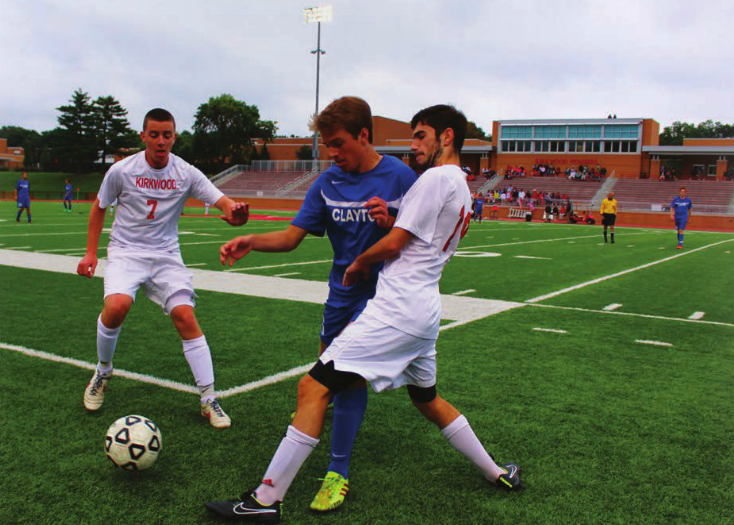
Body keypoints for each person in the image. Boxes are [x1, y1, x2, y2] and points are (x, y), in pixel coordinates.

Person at [206, 105, 520, 524]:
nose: (414, 146)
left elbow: (393, 245)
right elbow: (416, 233)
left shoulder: (433, 178)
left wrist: (360, 262)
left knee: (312, 388)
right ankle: (498, 472)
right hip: (424, 310)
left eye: (421, 136)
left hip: (395, 308)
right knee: (426, 399)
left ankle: (265, 502)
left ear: (446, 136)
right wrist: (390, 219)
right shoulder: (459, 185)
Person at [219, 96, 417, 512]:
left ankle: (337, 473)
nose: (333, 153)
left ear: (365, 136)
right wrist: (250, 241)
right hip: (340, 297)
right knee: (330, 372)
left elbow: (425, 241)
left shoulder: (402, 178)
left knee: (345, 377)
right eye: (327, 144)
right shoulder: (328, 182)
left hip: (383, 301)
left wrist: (392, 224)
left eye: (339, 143)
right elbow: (292, 237)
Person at [76, 108, 250, 429]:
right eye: (153, 134)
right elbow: (99, 208)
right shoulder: (121, 170)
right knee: (117, 306)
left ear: (174, 136)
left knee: (185, 315)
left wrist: (234, 211)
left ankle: (209, 398)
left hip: (166, 256)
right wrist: (90, 253)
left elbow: (220, 200)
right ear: (143, 136)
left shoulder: (185, 172)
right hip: (126, 253)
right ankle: (103, 371)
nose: (160, 141)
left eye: (166, 135)